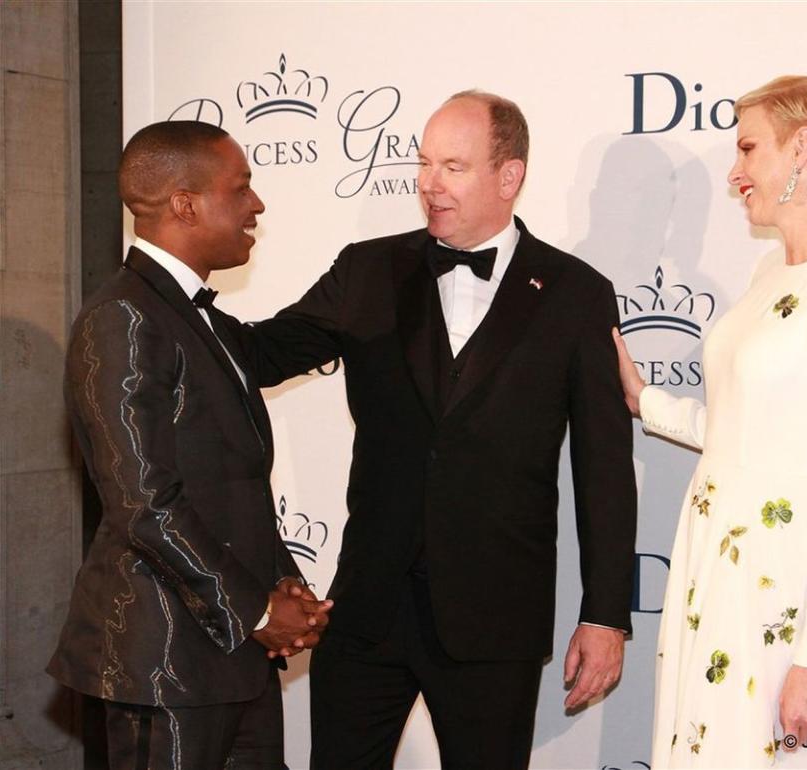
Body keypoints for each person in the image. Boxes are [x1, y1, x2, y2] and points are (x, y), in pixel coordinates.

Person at [234, 90, 637, 769]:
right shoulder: (368, 268)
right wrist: (171, 297)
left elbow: (603, 468)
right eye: (424, 163)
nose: (427, 183)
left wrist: (605, 614)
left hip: (494, 617)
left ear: (508, 177)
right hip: (367, 606)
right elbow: (263, 353)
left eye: (452, 165)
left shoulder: (576, 293)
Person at [614, 76, 807, 768]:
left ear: (802, 146)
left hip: (789, 595)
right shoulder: (766, 271)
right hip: (720, 578)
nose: (735, 171)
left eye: (749, 148)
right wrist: (644, 399)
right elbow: (744, 430)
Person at [47, 121, 331, 770]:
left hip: (235, 655)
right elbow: (145, 503)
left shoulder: (211, 323)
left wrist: (284, 586)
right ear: (185, 203)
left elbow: (230, 486)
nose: (256, 205)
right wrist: (260, 609)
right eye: (242, 188)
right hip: (164, 663)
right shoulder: (123, 317)